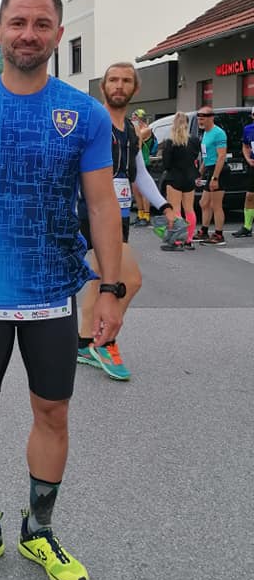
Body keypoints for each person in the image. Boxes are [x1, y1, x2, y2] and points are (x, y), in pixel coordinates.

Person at [0, 0, 123, 580]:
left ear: (58, 34)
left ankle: (39, 530)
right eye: (18, 23)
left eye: (42, 24)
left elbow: (102, 206)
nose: (29, 34)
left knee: (52, 411)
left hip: (50, 292)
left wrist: (111, 289)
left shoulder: (84, 114)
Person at [77, 62, 187, 381]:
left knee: (100, 280)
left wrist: (166, 207)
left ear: (135, 89)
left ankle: (84, 343)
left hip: (121, 216)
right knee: (129, 280)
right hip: (92, 216)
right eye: (113, 80)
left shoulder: (130, 131)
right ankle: (105, 340)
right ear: (103, 87)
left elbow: (139, 175)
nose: (119, 85)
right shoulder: (92, 123)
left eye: (126, 80)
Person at [160, 111, 200, 248]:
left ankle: (177, 240)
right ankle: (189, 240)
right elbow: (195, 157)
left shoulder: (170, 142)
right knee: (189, 209)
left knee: (175, 210)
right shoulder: (194, 140)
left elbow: (166, 164)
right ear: (187, 124)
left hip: (174, 177)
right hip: (189, 177)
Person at [193, 108, 228, 245]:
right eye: (199, 118)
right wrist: (199, 174)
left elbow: (221, 156)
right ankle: (204, 231)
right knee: (204, 203)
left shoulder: (218, 133)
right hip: (209, 168)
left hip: (218, 170)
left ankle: (219, 235)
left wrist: (215, 178)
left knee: (216, 205)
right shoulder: (205, 133)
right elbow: (206, 157)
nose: (200, 121)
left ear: (211, 118)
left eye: (203, 118)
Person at [130, 108, 156, 226]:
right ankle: (140, 214)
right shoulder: (136, 129)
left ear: (140, 118)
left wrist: (133, 128)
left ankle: (146, 216)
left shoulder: (146, 129)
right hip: (135, 163)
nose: (133, 119)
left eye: (135, 117)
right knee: (136, 190)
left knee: (144, 191)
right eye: (132, 117)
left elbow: (136, 138)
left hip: (144, 163)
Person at [232, 108, 254, 238]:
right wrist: (248, 159)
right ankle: (247, 226)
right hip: (253, 167)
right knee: (250, 196)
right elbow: (245, 146)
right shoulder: (248, 129)